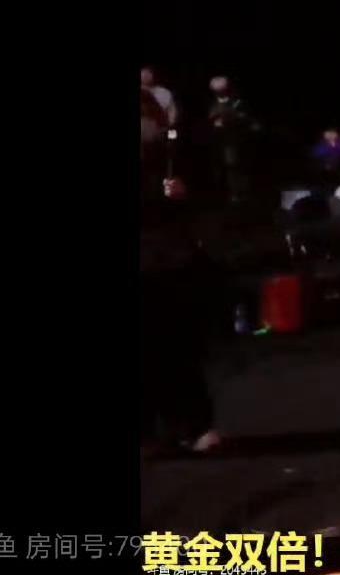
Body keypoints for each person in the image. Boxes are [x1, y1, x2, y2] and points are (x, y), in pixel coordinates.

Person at [140, 131, 221, 456]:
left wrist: (182, 196)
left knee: (178, 348)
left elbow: (206, 199)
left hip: (167, 266)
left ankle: (194, 426)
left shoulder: (170, 158)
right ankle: (150, 434)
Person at [206, 75, 259, 205]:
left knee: (240, 166)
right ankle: (233, 194)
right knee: (230, 167)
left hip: (238, 139)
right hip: (222, 141)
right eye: (217, 90)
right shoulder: (212, 104)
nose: (220, 92)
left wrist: (232, 119)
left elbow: (246, 118)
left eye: (222, 89)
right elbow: (211, 120)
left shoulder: (237, 102)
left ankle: (243, 193)